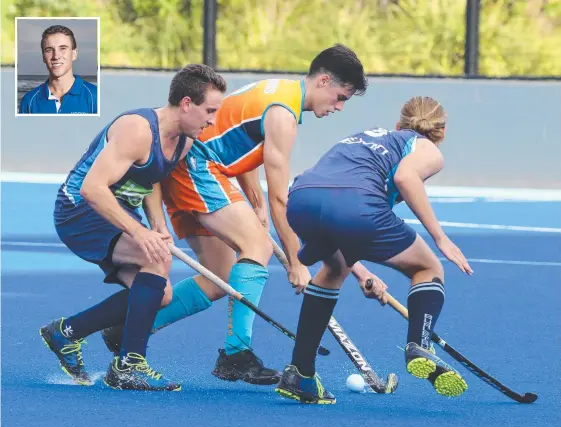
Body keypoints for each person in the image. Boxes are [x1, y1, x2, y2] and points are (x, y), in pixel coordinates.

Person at [100, 44, 384, 386]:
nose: (338, 107)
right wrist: (296, 262)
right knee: (258, 247)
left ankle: (130, 330)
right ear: (324, 81)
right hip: (199, 167)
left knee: (219, 275)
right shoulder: (284, 115)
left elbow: (239, 140)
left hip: (197, 168)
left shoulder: (277, 91)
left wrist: (254, 201)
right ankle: (236, 354)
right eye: (341, 97)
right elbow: (282, 198)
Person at [274, 96, 474, 404]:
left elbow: (337, 208)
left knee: (334, 269)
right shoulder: (426, 148)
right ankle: (418, 345)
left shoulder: (367, 136)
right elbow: (404, 177)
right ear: (442, 133)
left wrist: (362, 273)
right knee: (427, 268)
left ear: (398, 125)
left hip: (301, 199)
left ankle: (300, 375)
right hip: (355, 206)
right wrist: (440, 237)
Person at [39, 64, 227, 391]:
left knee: (160, 294)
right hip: (80, 210)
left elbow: (150, 178)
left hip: (115, 210)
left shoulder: (182, 141)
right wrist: (141, 233)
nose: (212, 119)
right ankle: (129, 365)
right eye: (209, 110)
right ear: (186, 103)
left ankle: (66, 332)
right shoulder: (138, 130)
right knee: (156, 259)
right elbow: (93, 189)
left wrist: (157, 224)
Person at [19, 25, 98, 114]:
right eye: (49, 50)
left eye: (63, 48)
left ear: (74, 54)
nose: (56, 56)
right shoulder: (29, 101)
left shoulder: (95, 97)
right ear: (43, 57)